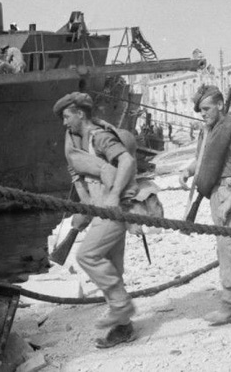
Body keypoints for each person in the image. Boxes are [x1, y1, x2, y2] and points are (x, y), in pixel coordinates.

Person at [53, 92, 137, 348]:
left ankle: (122, 306)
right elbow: (87, 185)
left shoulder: (99, 136)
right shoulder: (78, 142)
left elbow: (127, 160)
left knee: (87, 256)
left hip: (112, 210)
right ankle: (124, 329)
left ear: (80, 114)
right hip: (99, 209)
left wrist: (112, 195)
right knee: (113, 266)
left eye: (67, 116)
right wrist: (84, 214)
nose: (64, 123)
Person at [179, 85, 231, 325]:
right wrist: (187, 170)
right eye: (200, 110)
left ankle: (229, 306)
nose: (202, 114)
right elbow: (201, 159)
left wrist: (230, 200)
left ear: (221, 105)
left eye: (206, 109)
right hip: (217, 194)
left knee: (228, 246)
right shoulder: (208, 132)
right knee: (227, 247)